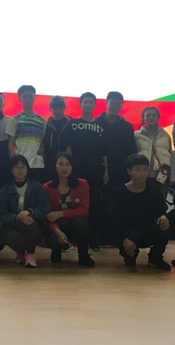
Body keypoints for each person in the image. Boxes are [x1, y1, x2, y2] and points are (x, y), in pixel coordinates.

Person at [112, 154, 171, 271]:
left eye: (145, 169)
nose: (142, 173)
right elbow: (114, 220)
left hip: (147, 230)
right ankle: (128, 254)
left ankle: (155, 257)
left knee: (165, 224)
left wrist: (163, 216)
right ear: (129, 171)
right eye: (138, 170)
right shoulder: (119, 192)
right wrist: (124, 238)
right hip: (128, 232)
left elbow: (160, 212)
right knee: (130, 261)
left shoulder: (154, 191)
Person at [66, 92, 108, 250]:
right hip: (77, 171)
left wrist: (106, 170)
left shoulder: (101, 126)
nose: (88, 104)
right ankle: (75, 238)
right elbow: (68, 147)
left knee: (95, 204)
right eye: (86, 102)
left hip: (96, 171)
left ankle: (93, 238)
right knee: (75, 204)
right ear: (80, 104)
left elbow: (104, 151)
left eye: (91, 102)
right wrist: (70, 168)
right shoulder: (72, 124)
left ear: (95, 105)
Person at [95, 91, 137, 246]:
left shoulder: (127, 126)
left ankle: (117, 236)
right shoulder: (95, 123)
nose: (115, 106)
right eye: (112, 102)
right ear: (106, 103)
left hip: (120, 171)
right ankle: (101, 236)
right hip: (98, 170)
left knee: (118, 204)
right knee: (99, 204)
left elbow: (131, 150)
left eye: (118, 103)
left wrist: (130, 172)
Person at [0, 154, 49, 268]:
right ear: (11, 170)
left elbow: (43, 209)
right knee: (13, 238)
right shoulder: (4, 190)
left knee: (30, 224)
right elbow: (1, 214)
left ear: (27, 169)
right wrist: (17, 218)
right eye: (16, 167)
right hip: (12, 225)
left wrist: (29, 212)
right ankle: (20, 252)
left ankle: (30, 253)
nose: (20, 170)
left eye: (23, 167)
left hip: (32, 224)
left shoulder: (37, 187)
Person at [43, 152, 94, 268]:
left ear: (72, 167)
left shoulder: (82, 184)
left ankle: (83, 254)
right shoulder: (47, 187)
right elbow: (48, 215)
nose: (64, 168)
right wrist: (57, 231)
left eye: (67, 164)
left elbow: (83, 210)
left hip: (73, 225)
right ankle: (56, 250)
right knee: (53, 239)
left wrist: (61, 213)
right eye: (60, 164)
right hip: (56, 226)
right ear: (55, 167)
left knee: (81, 222)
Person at [6, 85, 47, 185]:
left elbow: (42, 143)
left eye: (30, 96)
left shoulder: (42, 121)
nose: (28, 99)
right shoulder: (14, 120)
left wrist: (43, 157)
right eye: (25, 96)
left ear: (34, 98)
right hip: (20, 165)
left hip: (37, 164)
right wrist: (13, 163)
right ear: (20, 99)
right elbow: (10, 144)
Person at [134, 106, 174, 207]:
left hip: (163, 175)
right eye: (148, 115)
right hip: (143, 176)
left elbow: (171, 154)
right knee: (144, 204)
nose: (151, 117)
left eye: (153, 115)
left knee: (160, 204)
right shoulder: (136, 135)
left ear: (158, 117)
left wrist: (172, 176)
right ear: (143, 118)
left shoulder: (165, 135)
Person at [43, 95, 72, 183]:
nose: (58, 111)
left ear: (64, 108)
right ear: (51, 109)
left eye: (60, 108)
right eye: (55, 108)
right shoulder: (46, 126)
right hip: (50, 163)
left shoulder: (71, 124)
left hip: (68, 163)